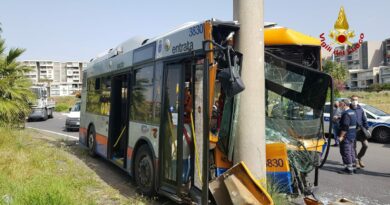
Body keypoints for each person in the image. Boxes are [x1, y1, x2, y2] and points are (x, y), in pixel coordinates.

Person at [338, 99, 357, 174]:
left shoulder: (346, 114)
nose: (340, 105)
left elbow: (345, 126)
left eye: (341, 104)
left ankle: (349, 169)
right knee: (351, 151)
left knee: (346, 151)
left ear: (344, 104)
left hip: (346, 136)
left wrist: (341, 136)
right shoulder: (352, 112)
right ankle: (353, 167)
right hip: (352, 135)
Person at [350, 95, 369, 168]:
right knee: (353, 147)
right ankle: (356, 161)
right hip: (351, 131)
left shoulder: (360, 109)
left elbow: (364, 119)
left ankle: (359, 157)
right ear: (351, 100)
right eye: (353, 99)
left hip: (361, 130)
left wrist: (366, 128)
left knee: (365, 145)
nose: (355, 101)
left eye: (356, 99)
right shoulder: (348, 108)